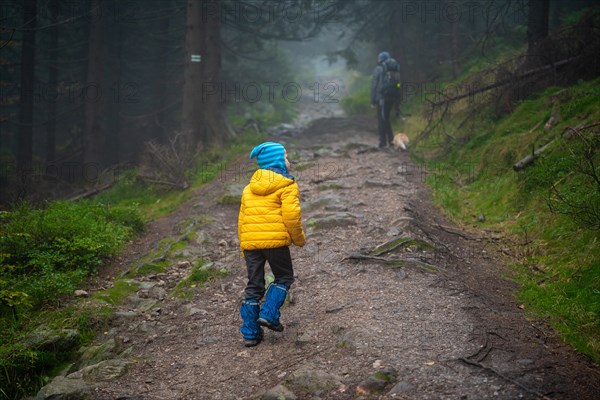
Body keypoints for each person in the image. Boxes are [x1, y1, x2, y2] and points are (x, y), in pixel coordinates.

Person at [237, 142, 306, 347]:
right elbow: (292, 217)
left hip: (251, 244)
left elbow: (242, 221)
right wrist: (298, 239)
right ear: (277, 161)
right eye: (285, 157)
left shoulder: (248, 188)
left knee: (254, 285)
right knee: (284, 277)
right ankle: (269, 314)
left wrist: (244, 247)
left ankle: (250, 333)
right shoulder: (287, 185)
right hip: (275, 242)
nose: (288, 161)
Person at [371, 51, 400, 148]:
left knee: (382, 120)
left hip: (382, 98)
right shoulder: (395, 69)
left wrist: (373, 100)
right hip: (392, 97)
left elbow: (374, 85)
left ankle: (383, 143)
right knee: (386, 119)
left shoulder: (379, 69)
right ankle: (391, 141)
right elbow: (398, 83)